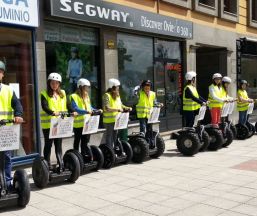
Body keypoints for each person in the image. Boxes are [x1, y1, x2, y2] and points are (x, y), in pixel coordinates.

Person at [40, 72, 76, 170]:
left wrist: (73, 112)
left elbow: (68, 105)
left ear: (59, 84)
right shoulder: (44, 93)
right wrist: (52, 112)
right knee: (48, 145)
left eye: (56, 83)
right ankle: (46, 165)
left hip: (60, 123)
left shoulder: (63, 93)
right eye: (52, 83)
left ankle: (60, 164)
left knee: (58, 145)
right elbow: (44, 106)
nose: (54, 85)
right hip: (48, 125)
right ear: (49, 83)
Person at [0, 61, 23, 190]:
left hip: (6, 131)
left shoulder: (8, 90)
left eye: (0, 71)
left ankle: (7, 183)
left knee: (7, 158)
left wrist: (18, 114)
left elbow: (17, 104)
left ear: (3, 74)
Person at [70, 78, 102, 161]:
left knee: (85, 142)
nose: (87, 89)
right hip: (78, 124)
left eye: (88, 87)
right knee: (77, 141)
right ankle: (76, 158)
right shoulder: (74, 96)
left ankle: (84, 157)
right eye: (86, 87)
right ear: (80, 87)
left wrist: (96, 110)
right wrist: (86, 111)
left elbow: (89, 107)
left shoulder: (86, 96)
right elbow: (75, 108)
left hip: (87, 123)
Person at [102, 78, 131, 151]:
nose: (118, 88)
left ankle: (115, 150)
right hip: (109, 120)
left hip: (116, 119)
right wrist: (117, 110)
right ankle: (109, 151)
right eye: (117, 86)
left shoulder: (117, 96)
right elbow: (107, 108)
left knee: (115, 135)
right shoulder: (106, 95)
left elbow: (121, 105)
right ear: (113, 87)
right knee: (109, 136)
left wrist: (127, 108)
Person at [135, 80, 163, 145]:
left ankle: (149, 143)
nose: (147, 89)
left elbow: (154, 102)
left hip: (150, 115)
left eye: (148, 87)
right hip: (142, 115)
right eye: (145, 87)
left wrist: (159, 104)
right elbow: (134, 95)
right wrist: (138, 87)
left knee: (149, 129)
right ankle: (142, 144)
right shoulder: (140, 93)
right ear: (143, 87)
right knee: (143, 130)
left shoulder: (153, 94)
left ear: (150, 87)